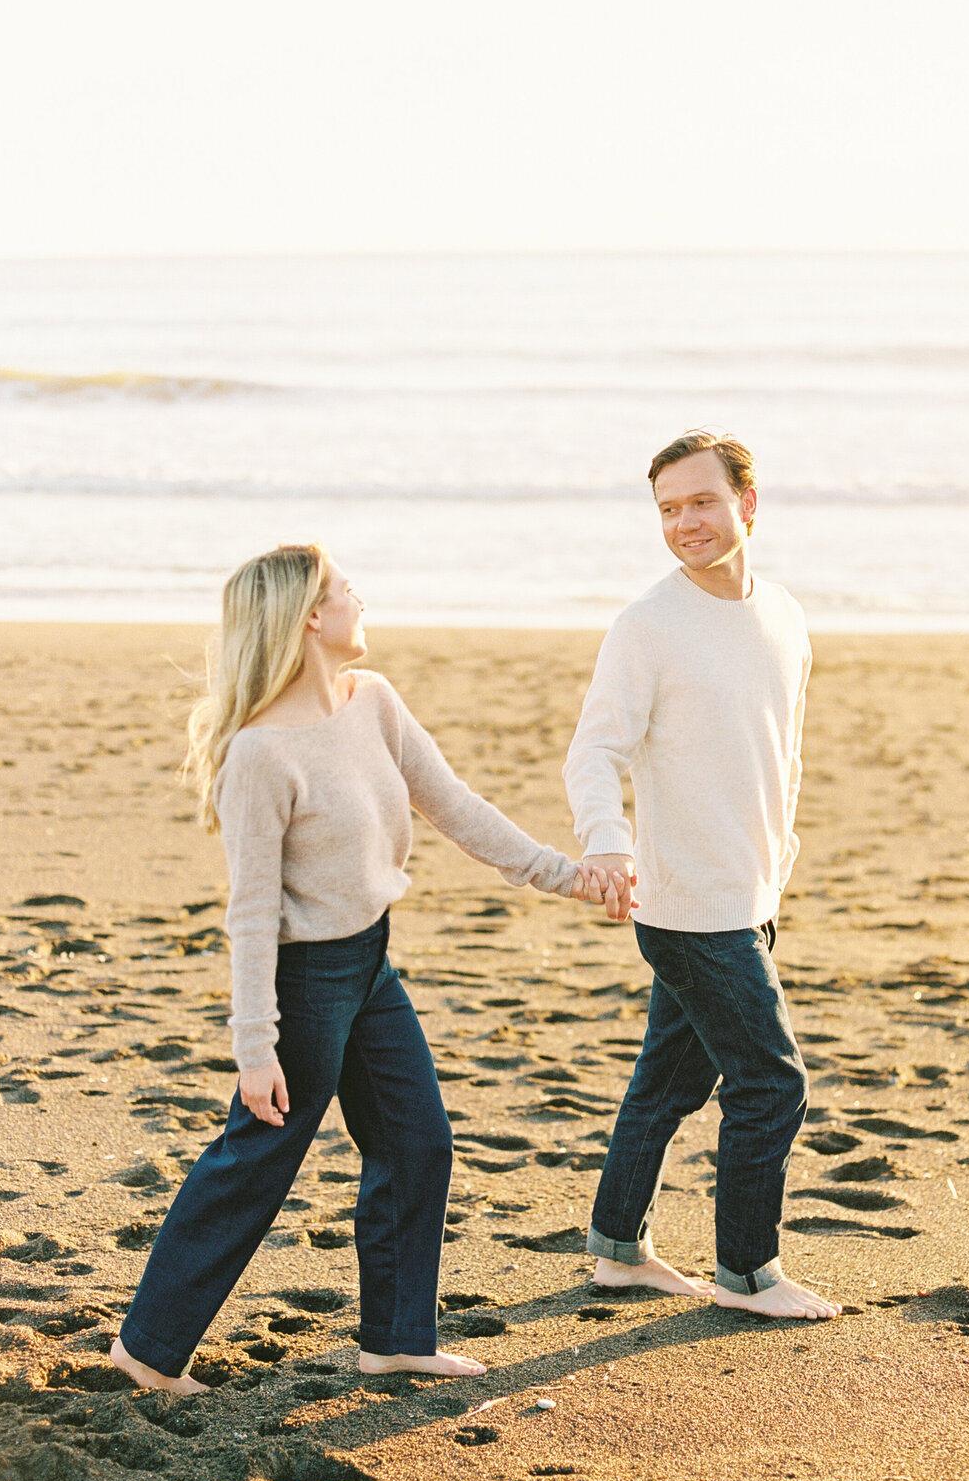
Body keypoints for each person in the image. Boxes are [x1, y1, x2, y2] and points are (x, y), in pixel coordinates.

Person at [112, 543, 624, 1395]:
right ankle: (149, 1351)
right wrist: (254, 1046)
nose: (361, 598)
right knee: (256, 1162)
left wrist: (565, 876)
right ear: (312, 617)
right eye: (347, 589)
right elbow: (249, 914)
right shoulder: (259, 756)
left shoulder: (374, 701)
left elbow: (456, 806)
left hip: (372, 964)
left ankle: (394, 1339)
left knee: (417, 1141)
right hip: (305, 984)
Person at [563, 431, 841, 1321]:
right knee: (772, 1084)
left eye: (701, 502)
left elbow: (783, 755)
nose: (685, 523)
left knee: (673, 1080)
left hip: (751, 887)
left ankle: (616, 1246)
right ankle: (749, 1274)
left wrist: (779, 860)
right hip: (686, 902)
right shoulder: (648, 626)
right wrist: (606, 843)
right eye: (669, 509)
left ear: (747, 506)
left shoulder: (784, 615)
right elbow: (594, 752)